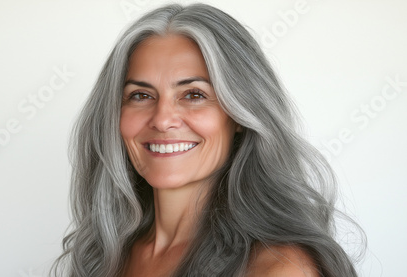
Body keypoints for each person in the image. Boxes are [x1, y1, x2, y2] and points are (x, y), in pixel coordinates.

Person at [52, 3, 362, 277]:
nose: (162, 119)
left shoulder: (279, 268)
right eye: (141, 95)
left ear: (240, 115)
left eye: (194, 95)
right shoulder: (106, 254)